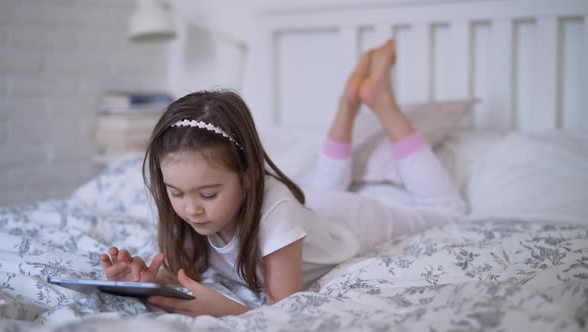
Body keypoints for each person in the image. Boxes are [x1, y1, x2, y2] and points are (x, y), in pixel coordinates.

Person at [100, 39, 466, 317]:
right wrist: (150, 279)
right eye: (176, 192)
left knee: (447, 211)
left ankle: (381, 100)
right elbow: (186, 272)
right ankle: (350, 102)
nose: (191, 209)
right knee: (323, 185)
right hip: (312, 214)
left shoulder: (276, 209)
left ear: (247, 176)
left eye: (208, 194)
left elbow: (285, 311)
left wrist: (219, 308)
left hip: (346, 221)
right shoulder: (189, 214)